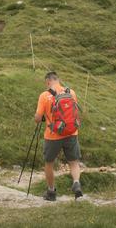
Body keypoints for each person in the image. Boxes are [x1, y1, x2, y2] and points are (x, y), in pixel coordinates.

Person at [34, 71, 83, 201]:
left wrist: (43, 118)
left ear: (47, 81)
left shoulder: (44, 96)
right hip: (71, 133)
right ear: (58, 80)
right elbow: (74, 113)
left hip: (53, 136)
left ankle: (51, 192)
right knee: (73, 162)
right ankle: (76, 182)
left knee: (49, 163)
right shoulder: (70, 92)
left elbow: (38, 118)